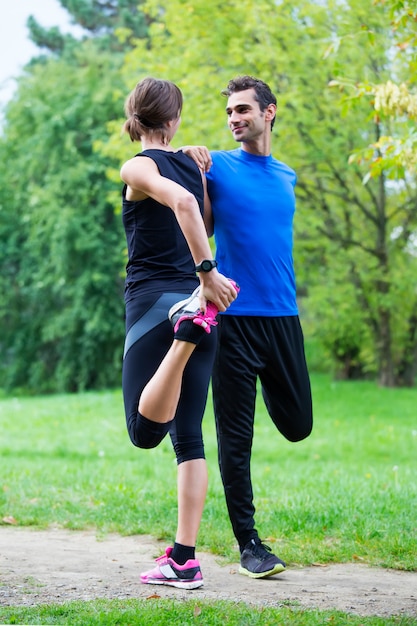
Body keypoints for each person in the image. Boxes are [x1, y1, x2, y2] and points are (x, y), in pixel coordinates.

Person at [185, 75, 313, 579]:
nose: (235, 118)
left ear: (269, 112)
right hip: (233, 320)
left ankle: (251, 539)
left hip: (283, 317)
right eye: (229, 113)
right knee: (236, 438)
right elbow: (204, 224)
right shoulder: (215, 166)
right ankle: (250, 544)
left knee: (298, 425)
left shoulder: (287, 175)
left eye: (243, 110)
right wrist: (193, 165)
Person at [120, 77, 238, 590]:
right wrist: (204, 284)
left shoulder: (137, 166)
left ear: (135, 117)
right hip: (198, 304)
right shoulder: (195, 165)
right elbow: (203, 216)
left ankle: (184, 337)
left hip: (156, 306)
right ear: (174, 120)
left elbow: (185, 210)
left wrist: (207, 271)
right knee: (189, 439)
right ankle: (184, 560)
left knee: (145, 433)